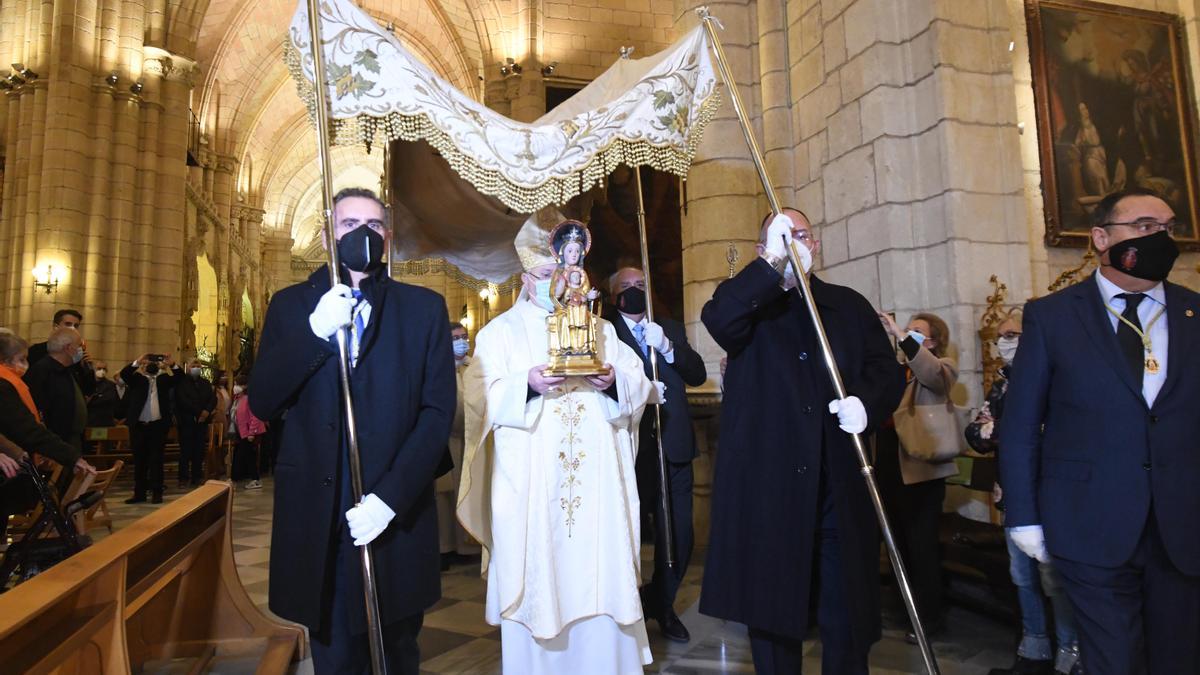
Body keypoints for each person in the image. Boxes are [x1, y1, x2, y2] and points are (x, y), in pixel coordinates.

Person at [249, 187, 455, 674]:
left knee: (398, 649)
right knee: (336, 654)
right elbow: (264, 401)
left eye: (374, 225)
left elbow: (435, 412)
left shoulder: (423, 309)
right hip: (320, 514)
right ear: (327, 234)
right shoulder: (291, 306)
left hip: (393, 512)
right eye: (348, 224)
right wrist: (313, 333)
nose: (362, 233)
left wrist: (390, 498)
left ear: (387, 235)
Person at [1000, 188, 1200, 675]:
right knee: (1115, 659)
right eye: (1145, 226)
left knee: (1179, 657)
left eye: (1168, 228)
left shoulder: (1194, 312)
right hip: (1089, 521)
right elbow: (1022, 422)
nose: (1161, 238)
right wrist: (1023, 517)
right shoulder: (1051, 316)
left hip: (1183, 522)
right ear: (1101, 237)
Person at [700, 208, 905, 674]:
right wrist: (769, 268)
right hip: (770, 487)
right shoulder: (745, 305)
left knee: (846, 612)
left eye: (802, 236)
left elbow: (885, 372)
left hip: (837, 483)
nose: (795, 243)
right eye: (781, 237)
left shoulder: (849, 306)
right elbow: (720, 321)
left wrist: (866, 405)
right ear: (762, 250)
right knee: (772, 614)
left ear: (816, 246)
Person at [459, 217, 659, 674]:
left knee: (600, 574)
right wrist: (524, 385)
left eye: (565, 275)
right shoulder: (499, 334)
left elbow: (640, 384)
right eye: (547, 276)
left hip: (598, 497)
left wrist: (611, 382)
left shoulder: (601, 331)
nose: (559, 284)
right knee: (539, 580)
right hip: (531, 490)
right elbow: (475, 399)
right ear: (526, 279)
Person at [967, 312, 1081, 675]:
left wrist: (1000, 429)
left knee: (1054, 581)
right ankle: (1035, 646)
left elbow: (1049, 430)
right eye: (1000, 336)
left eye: (1013, 334)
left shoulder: (1054, 374)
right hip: (1012, 494)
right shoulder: (1001, 384)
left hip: (1050, 495)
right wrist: (1002, 429)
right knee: (1022, 577)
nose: (1005, 341)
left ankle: (1071, 649)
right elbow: (975, 432)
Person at [603, 266, 708, 643]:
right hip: (631, 450)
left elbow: (696, 374)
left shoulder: (669, 327)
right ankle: (625, 612)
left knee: (679, 535)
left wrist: (667, 347)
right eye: (626, 288)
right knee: (627, 535)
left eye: (640, 285)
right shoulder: (604, 332)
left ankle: (661, 604)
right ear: (614, 294)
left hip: (674, 445)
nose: (634, 292)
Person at [875, 310, 959, 639]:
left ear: (933, 340)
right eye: (907, 331)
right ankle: (901, 610)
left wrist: (899, 332)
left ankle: (929, 620)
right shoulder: (901, 372)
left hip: (921, 473)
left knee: (921, 547)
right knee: (898, 546)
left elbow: (934, 375)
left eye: (916, 332)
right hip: (889, 467)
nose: (907, 335)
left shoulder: (943, 366)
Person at [0, 331, 95, 541]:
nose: (25, 365)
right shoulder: (4, 384)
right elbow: (26, 428)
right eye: (21, 359)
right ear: (5, 360)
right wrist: (71, 456)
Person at [434, 322, 479, 570]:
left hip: (472, 439)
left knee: (469, 490)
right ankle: (446, 546)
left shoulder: (476, 366)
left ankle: (468, 545)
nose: (461, 341)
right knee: (445, 496)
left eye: (464, 336)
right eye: (455, 338)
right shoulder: (439, 367)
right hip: (448, 440)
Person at [23, 328, 90, 478]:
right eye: (79, 346)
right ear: (68, 348)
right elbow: (37, 409)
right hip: (54, 441)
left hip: (71, 439)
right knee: (56, 486)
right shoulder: (42, 371)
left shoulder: (69, 370)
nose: (82, 350)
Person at [121, 353, 182, 504]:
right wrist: (137, 361)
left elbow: (180, 378)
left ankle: (157, 492)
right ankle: (139, 493)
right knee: (139, 460)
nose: (152, 365)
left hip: (158, 425)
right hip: (139, 425)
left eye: (154, 363)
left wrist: (171, 365)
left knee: (156, 459)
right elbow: (124, 374)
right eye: (149, 363)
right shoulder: (137, 379)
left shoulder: (163, 380)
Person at [26, 309, 95, 396]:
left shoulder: (77, 355)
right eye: (68, 324)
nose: (73, 328)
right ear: (56, 327)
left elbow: (88, 390)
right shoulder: (36, 351)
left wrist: (86, 369)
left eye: (76, 325)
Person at [174, 359, 216, 488]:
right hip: (187, 420)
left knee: (199, 450)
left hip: (202, 422)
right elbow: (182, 400)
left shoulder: (205, 383)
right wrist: (199, 412)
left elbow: (212, 399)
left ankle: (197, 476)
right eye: (194, 365)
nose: (196, 367)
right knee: (185, 451)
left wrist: (207, 411)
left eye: (198, 365)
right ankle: (183, 478)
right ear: (188, 367)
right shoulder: (182, 382)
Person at [230, 375, 264, 490]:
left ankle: (233, 479)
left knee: (240, 455)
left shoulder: (249, 398)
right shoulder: (237, 399)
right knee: (249, 457)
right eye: (235, 384)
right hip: (241, 432)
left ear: (245, 386)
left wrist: (251, 433)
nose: (235, 387)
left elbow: (255, 416)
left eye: (238, 384)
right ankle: (255, 479)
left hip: (249, 433)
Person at [86, 361, 120, 427]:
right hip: (89, 421)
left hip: (104, 422)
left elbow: (107, 399)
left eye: (104, 369)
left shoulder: (111, 385)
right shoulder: (88, 383)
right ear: (94, 369)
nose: (102, 371)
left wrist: (90, 400)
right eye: (99, 368)